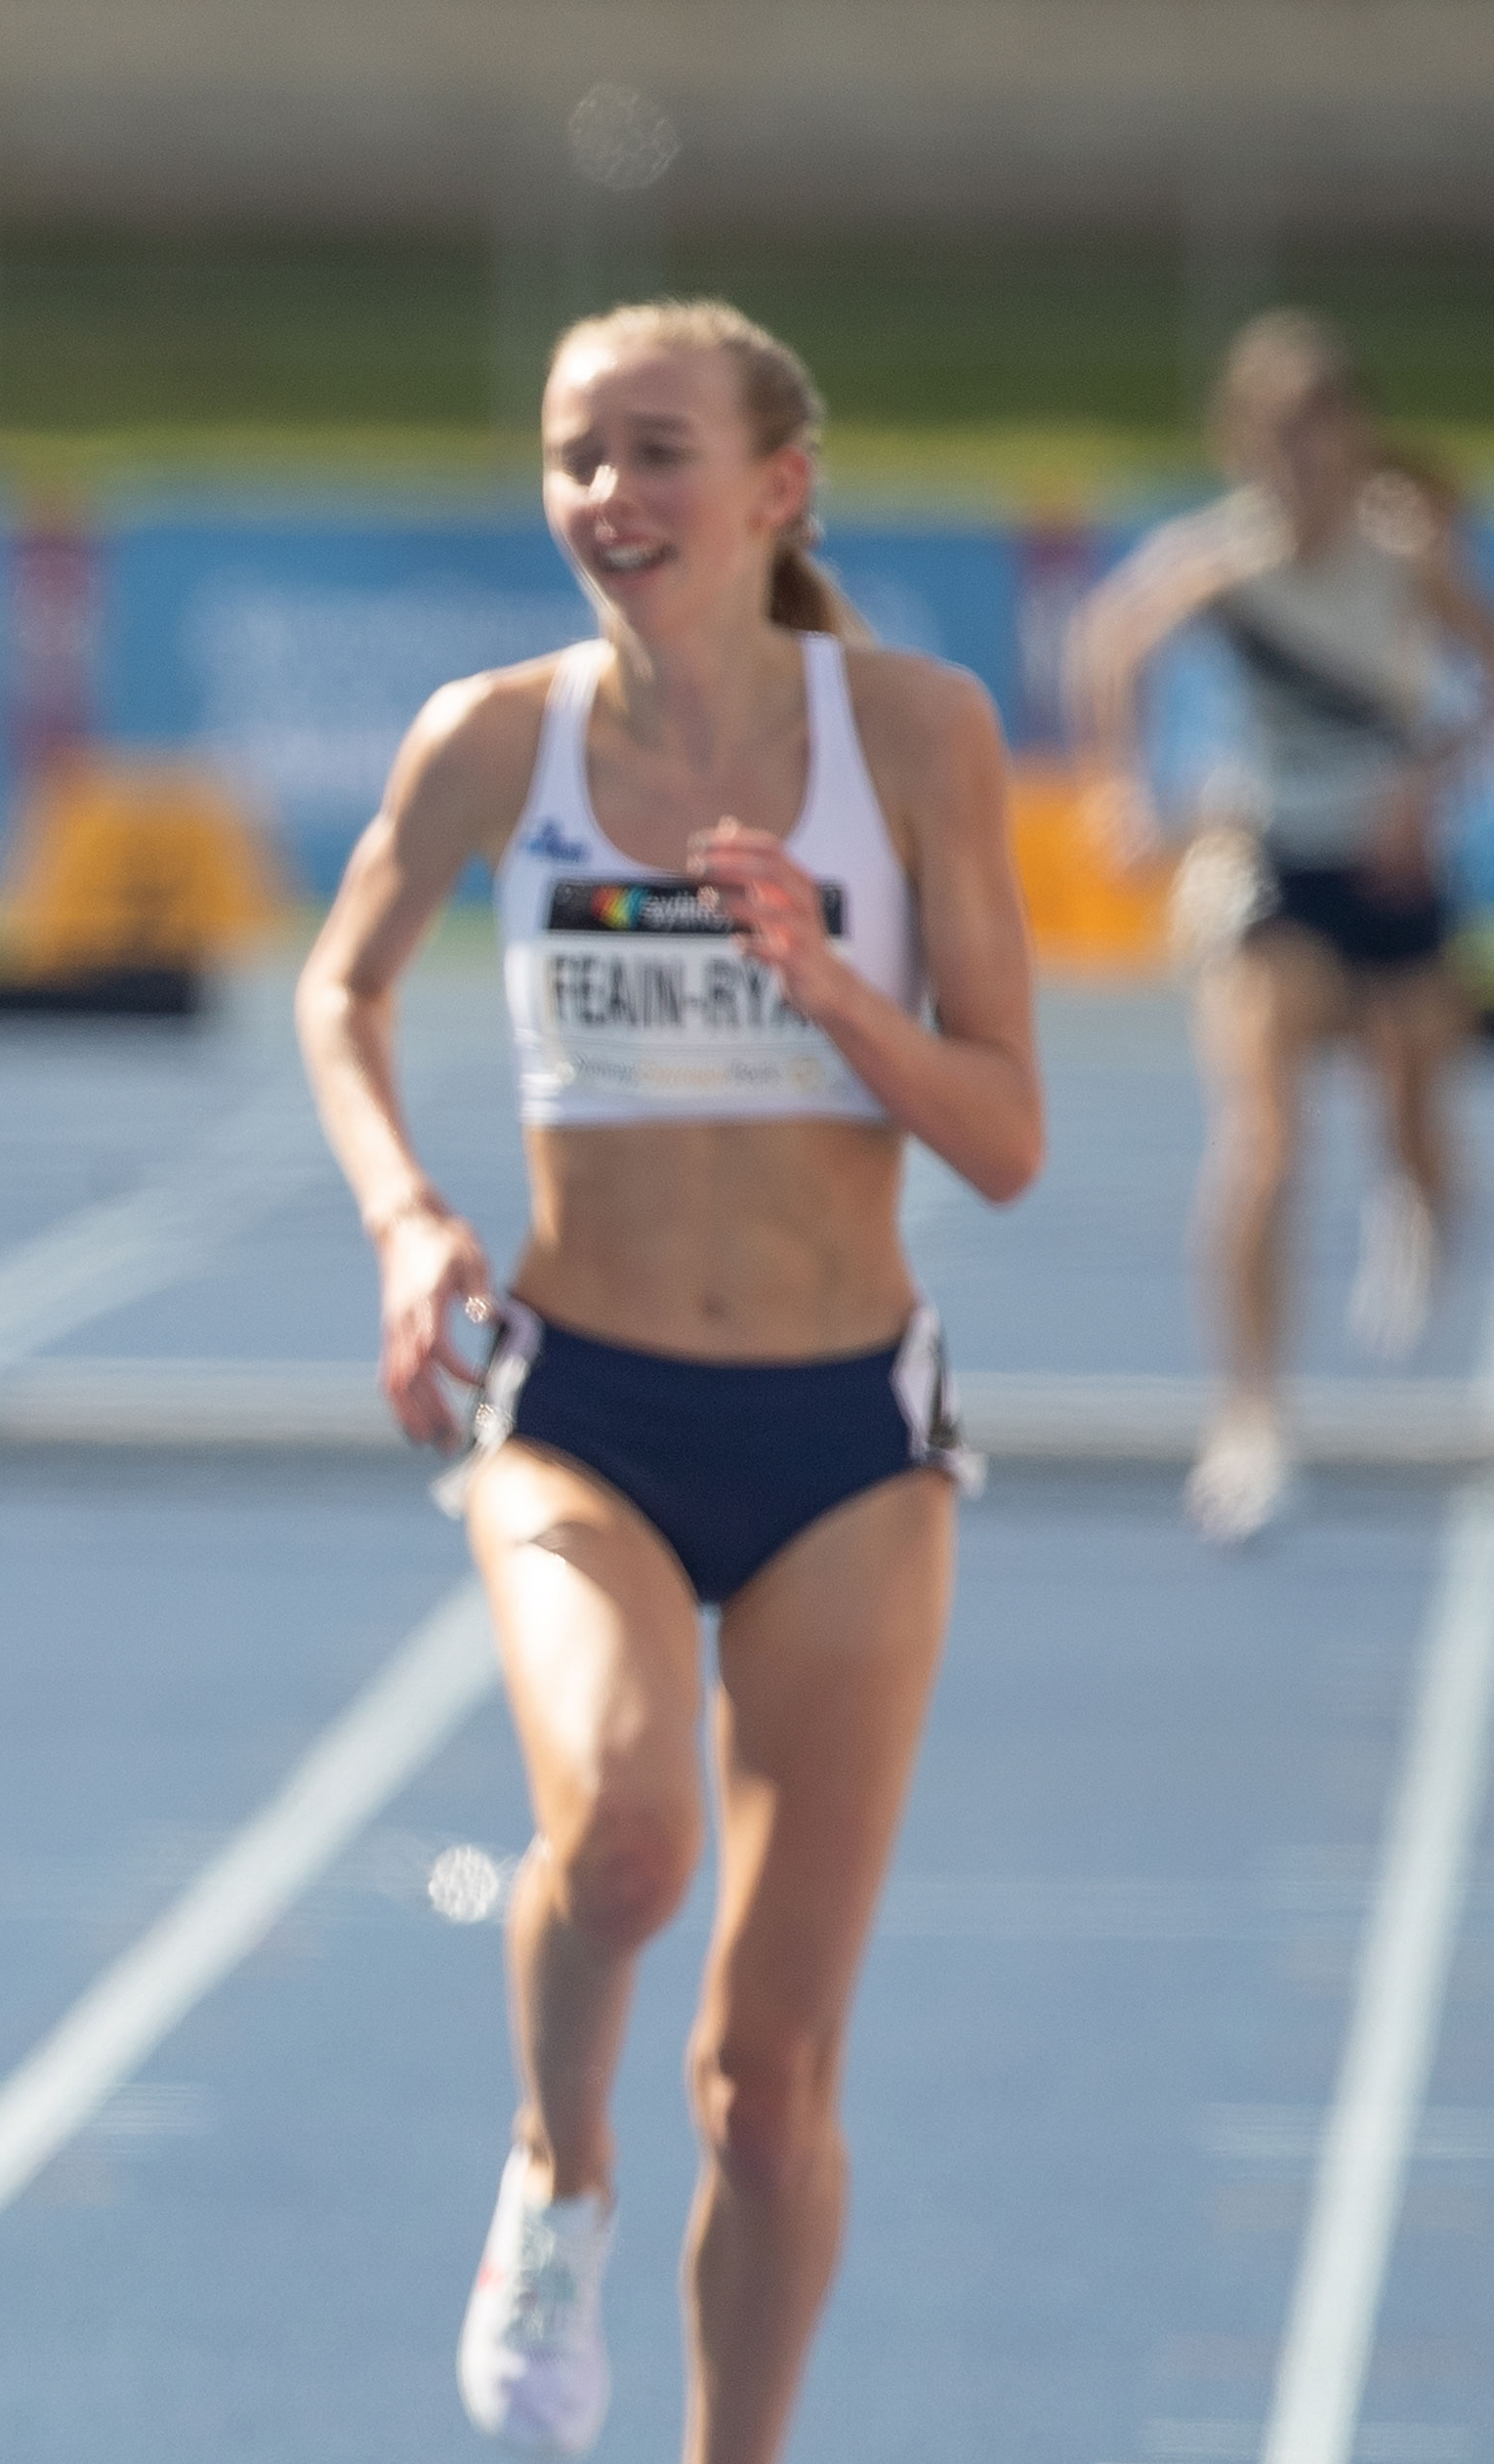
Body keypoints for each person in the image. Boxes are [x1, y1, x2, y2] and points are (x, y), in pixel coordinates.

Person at [295, 299, 1041, 2463]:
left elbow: (1000, 1140)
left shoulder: (909, 734)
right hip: (578, 1408)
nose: (604, 499)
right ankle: (554, 2170)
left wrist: (824, 979)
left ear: (773, 487)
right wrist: (404, 1217)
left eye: (650, 454)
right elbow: (335, 995)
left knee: (769, 2078)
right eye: (569, 457)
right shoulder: (489, 736)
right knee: (619, 1840)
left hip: (840, 1444)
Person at [1070, 309, 1494, 1542]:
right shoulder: (1219, 563)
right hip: (1269, 867)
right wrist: (1122, 787)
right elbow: (1109, 642)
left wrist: (1431, 788)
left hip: (1391, 873)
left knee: (1418, 1123)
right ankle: (1250, 1419)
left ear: (1358, 439)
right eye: (1276, 437)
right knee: (1262, 1140)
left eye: (1323, 433)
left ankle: (1411, 1209)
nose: (1302, 460)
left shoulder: (1404, 554)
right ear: (1240, 443)